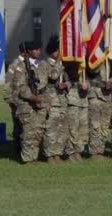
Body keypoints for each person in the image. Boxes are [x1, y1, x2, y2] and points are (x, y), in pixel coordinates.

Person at [12, 41, 47, 164]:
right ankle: (27, 159)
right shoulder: (21, 67)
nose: (38, 52)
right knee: (28, 133)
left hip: (41, 103)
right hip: (26, 104)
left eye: (39, 49)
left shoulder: (42, 65)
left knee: (38, 131)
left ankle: (35, 156)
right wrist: (32, 97)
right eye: (35, 50)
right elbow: (20, 87)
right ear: (28, 52)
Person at [38, 35, 69, 164]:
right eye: (58, 50)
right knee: (50, 129)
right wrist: (58, 64)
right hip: (51, 101)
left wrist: (67, 84)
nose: (60, 53)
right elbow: (53, 76)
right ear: (53, 52)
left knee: (61, 130)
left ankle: (57, 154)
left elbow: (67, 79)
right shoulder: (44, 64)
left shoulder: (61, 65)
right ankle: (49, 155)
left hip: (62, 101)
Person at [63, 62, 89, 162]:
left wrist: (87, 86)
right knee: (72, 128)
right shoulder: (66, 67)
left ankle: (78, 151)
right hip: (72, 101)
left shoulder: (82, 68)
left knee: (82, 128)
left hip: (83, 102)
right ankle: (70, 152)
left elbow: (88, 83)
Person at [4, 44, 27, 152]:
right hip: (17, 99)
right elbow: (8, 82)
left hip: (27, 99)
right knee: (18, 125)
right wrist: (9, 99)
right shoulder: (15, 64)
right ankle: (17, 148)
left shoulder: (29, 63)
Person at [87, 66, 111, 160]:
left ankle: (100, 151)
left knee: (104, 126)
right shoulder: (95, 56)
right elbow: (92, 70)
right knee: (95, 126)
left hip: (106, 97)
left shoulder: (108, 61)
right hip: (95, 96)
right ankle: (94, 153)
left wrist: (110, 84)